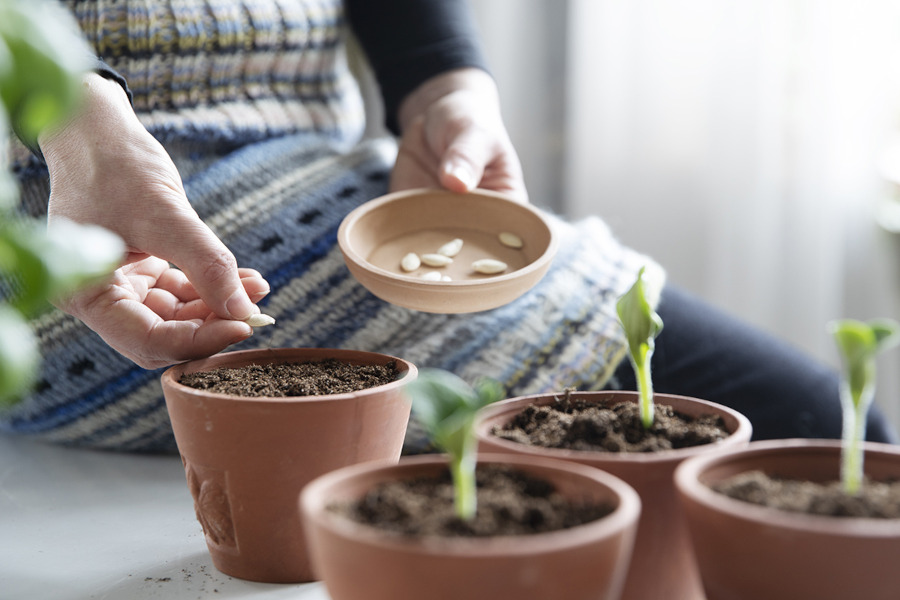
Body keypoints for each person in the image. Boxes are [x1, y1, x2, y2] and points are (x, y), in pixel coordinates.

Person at [2, 0, 896, 452]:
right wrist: (82, 130)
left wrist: (444, 85)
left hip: (317, 160)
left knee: (818, 422)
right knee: (808, 424)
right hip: (58, 193)